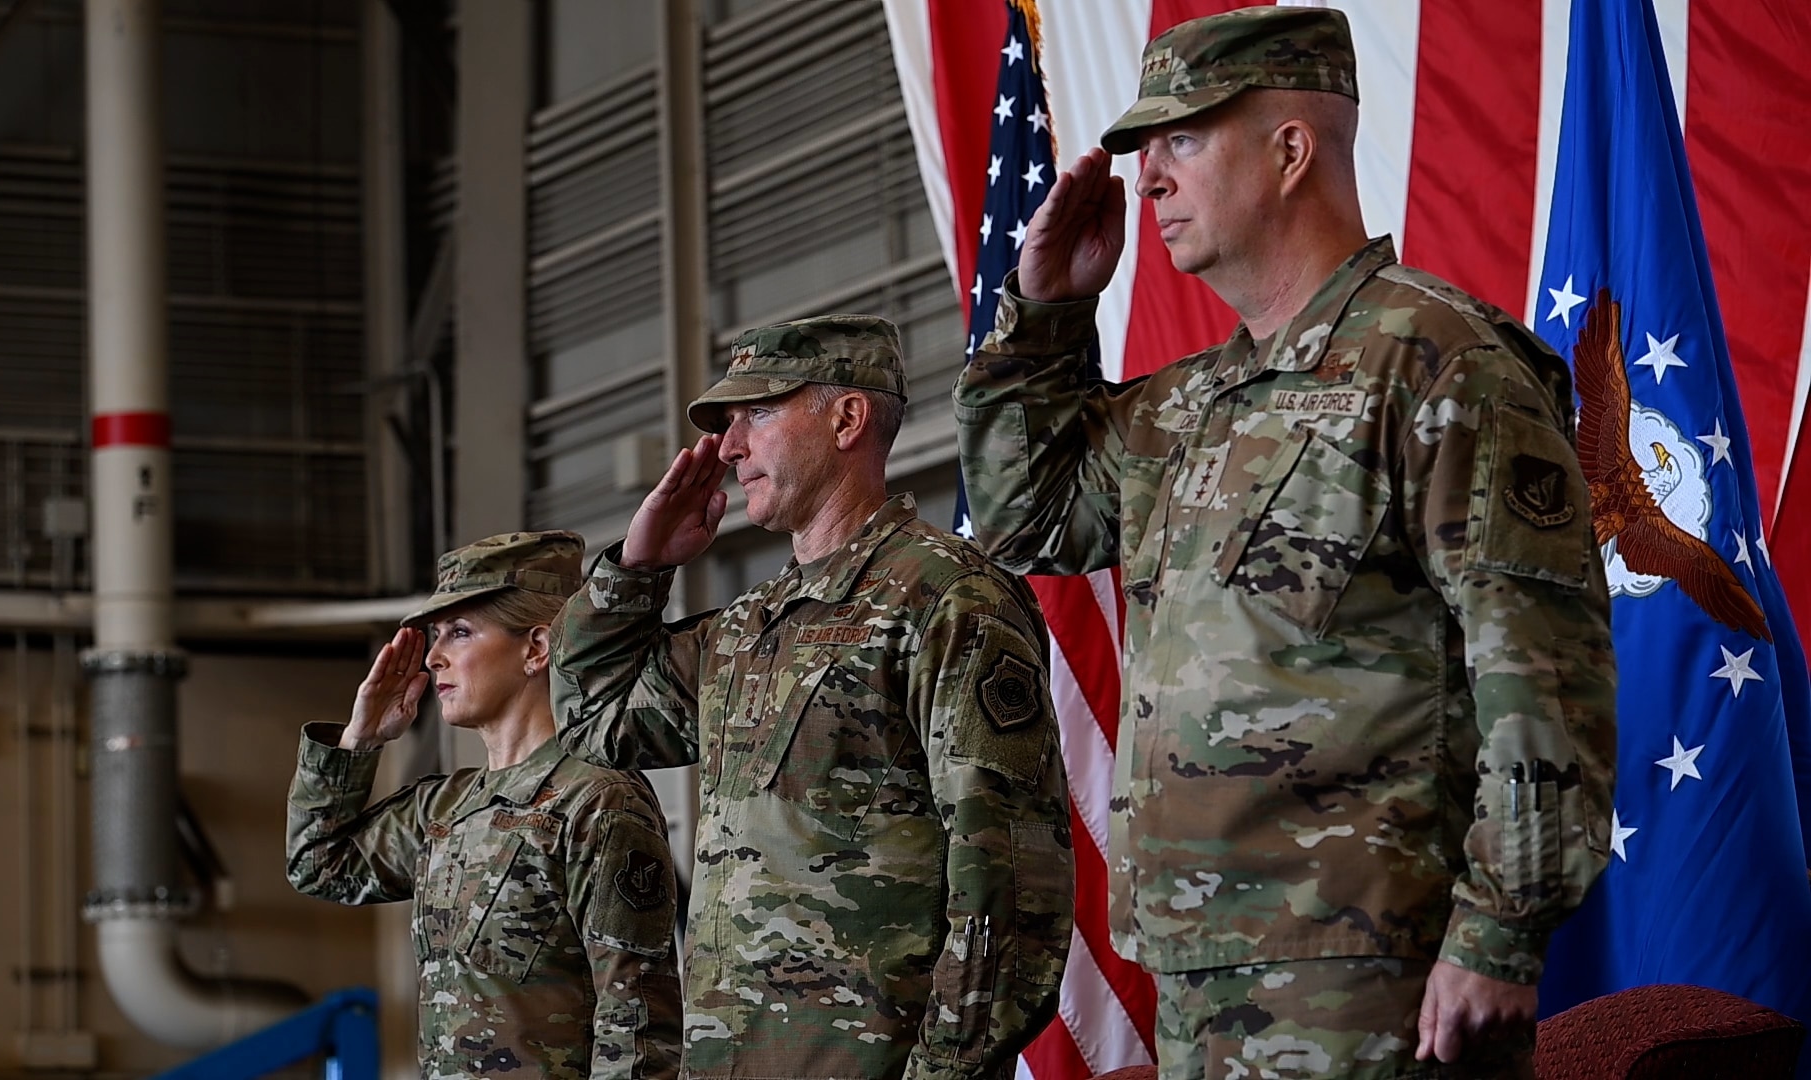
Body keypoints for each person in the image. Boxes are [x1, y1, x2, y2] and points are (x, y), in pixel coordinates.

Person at [952, 8, 1617, 1079]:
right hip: (1198, 973)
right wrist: (1044, 320)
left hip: (1367, 970)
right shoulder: (1188, 408)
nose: (1149, 179)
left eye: (1181, 140)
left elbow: (1544, 672)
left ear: (1291, 149)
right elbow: (1029, 516)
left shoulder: (1438, 362)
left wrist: (1500, 932)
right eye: (1144, 151)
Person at [550, 314, 1073, 1080]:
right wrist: (634, 570)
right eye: (730, 424)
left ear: (847, 417)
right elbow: (593, 720)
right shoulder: (744, 630)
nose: (729, 448)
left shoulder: (945, 599)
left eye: (757, 413)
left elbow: (1012, 886)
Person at [286, 531, 682, 1079]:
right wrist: (360, 743)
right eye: (435, 634)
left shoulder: (597, 798)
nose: (434, 656)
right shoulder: (445, 808)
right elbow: (318, 866)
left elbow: (636, 1022)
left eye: (461, 632)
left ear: (536, 649)